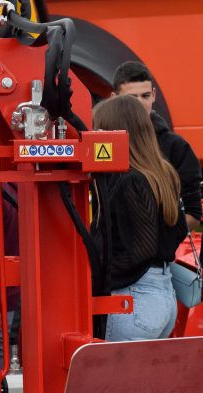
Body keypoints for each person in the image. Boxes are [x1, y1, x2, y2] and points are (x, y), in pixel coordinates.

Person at [92, 95, 187, 341]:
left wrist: (99, 272)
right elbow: (177, 231)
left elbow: (141, 250)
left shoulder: (130, 180)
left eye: (100, 129)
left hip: (133, 299)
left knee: (116, 380)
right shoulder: (163, 174)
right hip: (163, 295)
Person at [112, 61, 202, 231]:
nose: (139, 104)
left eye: (145, 96)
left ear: (153, 94)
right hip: (109, 255)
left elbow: (193, 213)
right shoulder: (100, 145)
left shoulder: (177, 148)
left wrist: (158, 243)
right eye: (132, 98)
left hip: (159, 256)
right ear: (114, 98)